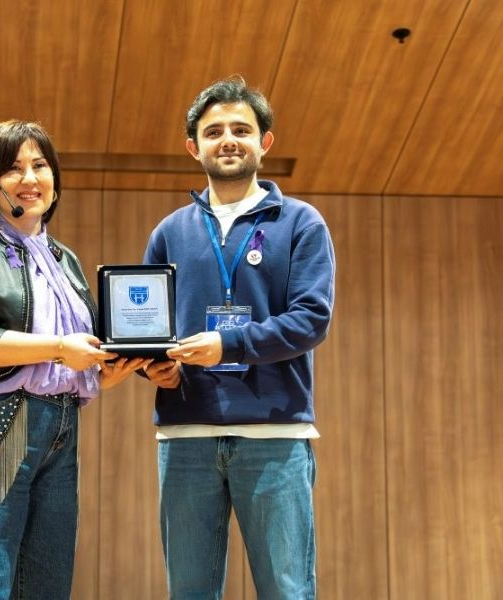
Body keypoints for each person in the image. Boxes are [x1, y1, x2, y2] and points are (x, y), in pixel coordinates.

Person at [0, 120, 147, 600]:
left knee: (46, 583)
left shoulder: (62, 258)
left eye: (40, 165)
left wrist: (106, 373)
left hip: (61, 423)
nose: (29, 178)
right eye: (13, 168)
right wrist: (58, 348)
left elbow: (73, 359)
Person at [143, 77, 335, 599]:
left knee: (287, 591)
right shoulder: (168, 233)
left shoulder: (302, 223)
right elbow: (149, 332)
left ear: (264, 142)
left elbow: (311, 319)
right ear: (194, 147)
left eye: (241, 130)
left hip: (275, 436)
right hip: (185, 435)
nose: (228, 140)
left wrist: (227, 345)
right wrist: (155, 367)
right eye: (214, 132)